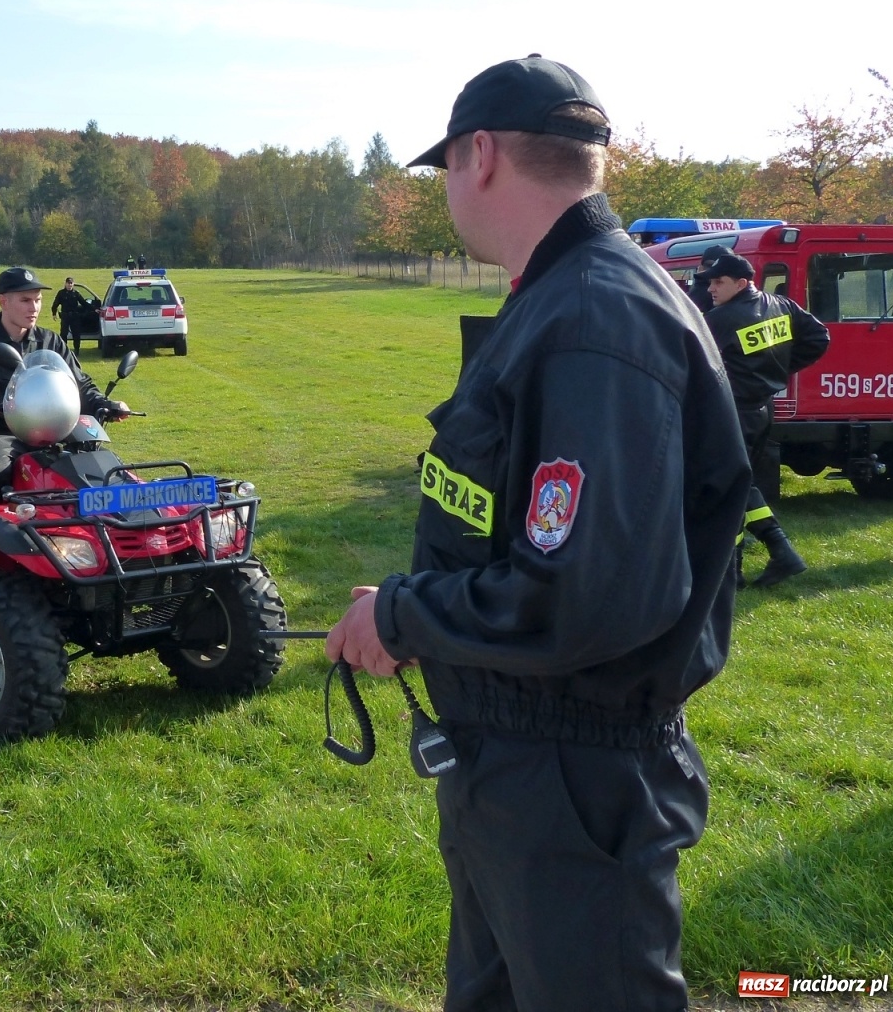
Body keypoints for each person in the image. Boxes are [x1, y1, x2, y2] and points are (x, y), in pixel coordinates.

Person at [325, 56, 751, 1011]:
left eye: (442, 171)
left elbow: (582, 594)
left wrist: (403, 618)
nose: (445, 192)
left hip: (572, 780)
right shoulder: (557, 297)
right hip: (517, 769)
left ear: (480, 156)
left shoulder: (596, 317)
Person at [696, 249, 829, 587]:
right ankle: (742, 567)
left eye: (718, 282)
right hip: (762, 408)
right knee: (742, 484)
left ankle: (772, 553)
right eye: (710, 282)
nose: (712, 288)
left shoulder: (720, 320)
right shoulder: (781, 305)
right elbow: (817, 337)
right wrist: (779, 369)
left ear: (741, 283)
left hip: (733, 412)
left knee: (732, 485)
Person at [0, 266, 126, 505]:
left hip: (53, 430)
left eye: (38, 300)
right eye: (26, 300)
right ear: (3, 301)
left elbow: (79, 383)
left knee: (100, 465)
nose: (34, 307)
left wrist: (103, 404)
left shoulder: (50, 341)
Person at [52, 275, 89, 351]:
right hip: (65, 316)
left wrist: (94, 309)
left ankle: (77, 350)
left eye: (71, 283)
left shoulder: (76, 293)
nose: (69, 285)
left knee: (76, 334)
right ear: (65, 284)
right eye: (68, 283)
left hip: (75, 316)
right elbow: (55, 304)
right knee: (63, 334)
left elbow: (84, 303)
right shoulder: (61, 293)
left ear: (73, 284)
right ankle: (64, 350)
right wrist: (54, 313)